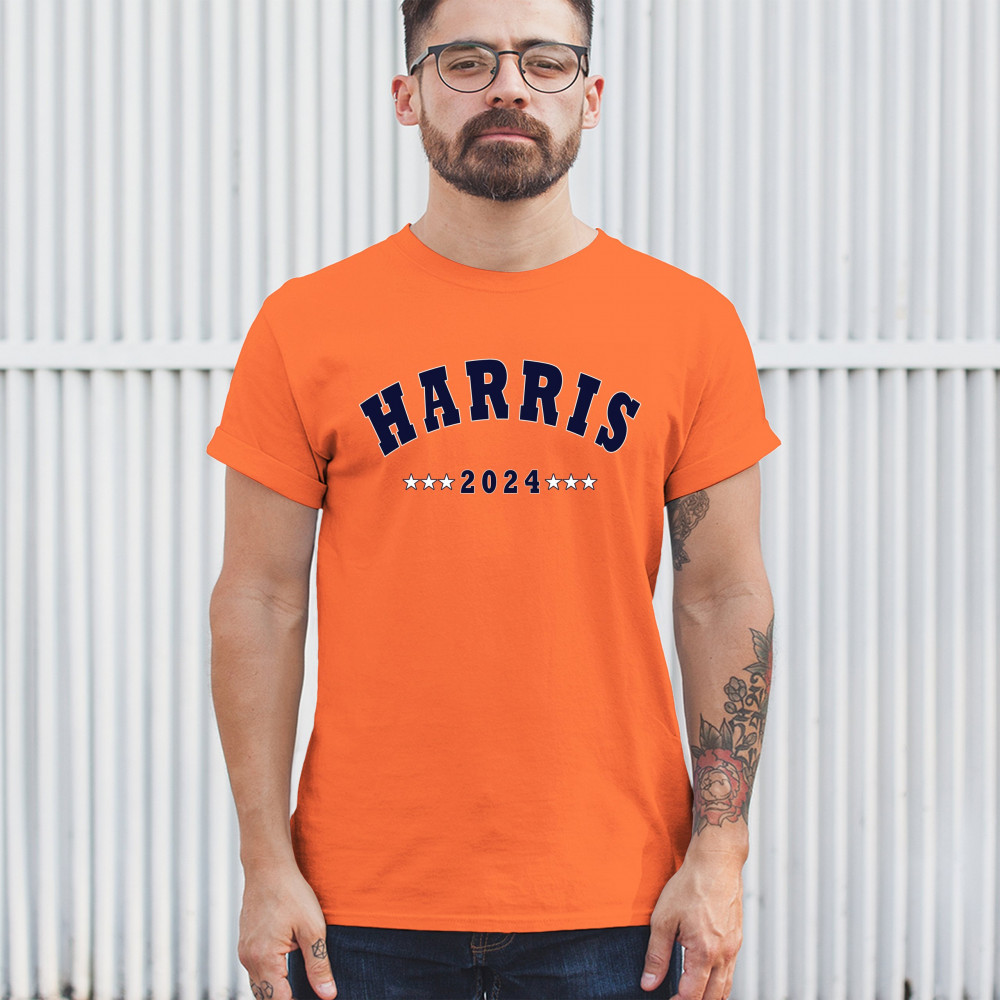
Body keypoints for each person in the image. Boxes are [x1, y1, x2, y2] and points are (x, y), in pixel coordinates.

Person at [206, 0, 780, 997]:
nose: (509, 86)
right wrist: (264, 862)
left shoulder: (690, 327)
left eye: (545, 62)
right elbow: (259, 598)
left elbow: (722, 596)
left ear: (590, 97)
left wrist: (720, 852)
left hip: (618, 902)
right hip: (358, 905)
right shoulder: (305, 326)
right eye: (465, 61)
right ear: (407, 95)